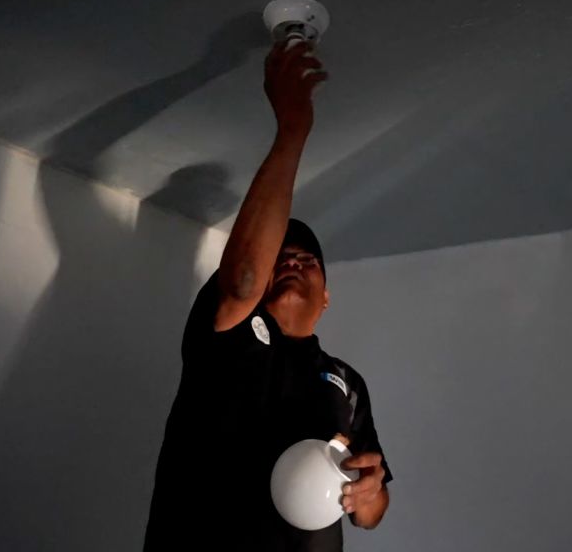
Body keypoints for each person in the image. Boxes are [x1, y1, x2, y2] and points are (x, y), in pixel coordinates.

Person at [143, 39, 392, 551]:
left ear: (326, 296)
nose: (294, 261)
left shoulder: (348, 383)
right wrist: (292, 133)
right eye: (282, 254)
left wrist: (368, 497)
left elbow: (371, 513)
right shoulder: (229, 332)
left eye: (309, 259)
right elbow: (242, 282)